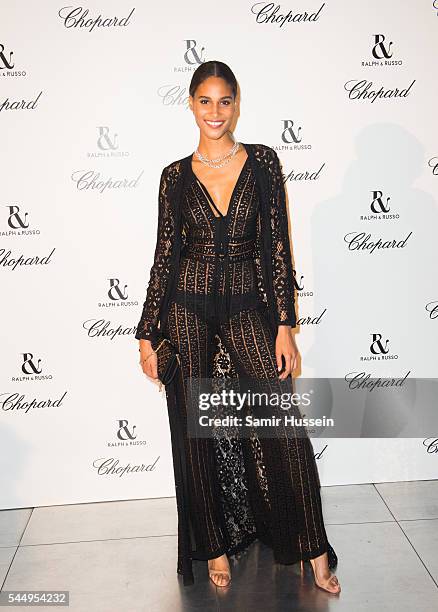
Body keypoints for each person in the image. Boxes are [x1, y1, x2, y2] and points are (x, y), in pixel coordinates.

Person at [135, 60, 340, 594]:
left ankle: (312, 547)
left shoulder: (264, 164)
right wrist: (145, 332)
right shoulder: (174, 177)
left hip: (250, 305)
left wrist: (285, 324)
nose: (215, 112)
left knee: (282, 425)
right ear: (191, 105)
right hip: (187, 308)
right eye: (205, 101)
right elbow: (164, 256)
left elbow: (277, 248)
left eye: (224, 101)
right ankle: (215, 546)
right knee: (195, 429)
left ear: (237, 104)